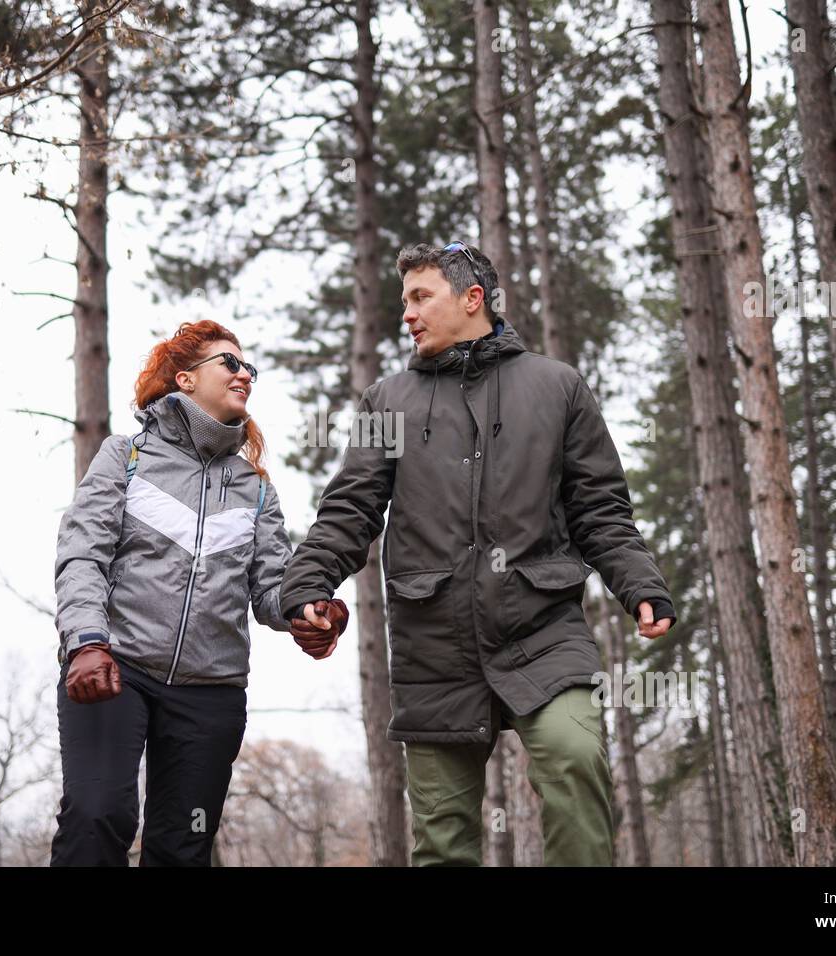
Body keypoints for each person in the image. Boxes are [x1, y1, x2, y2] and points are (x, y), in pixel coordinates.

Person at [280, 241, 676, 866]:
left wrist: (641, 585)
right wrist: (307, 585)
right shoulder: (388, 400)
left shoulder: (559, 387)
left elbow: (601, 510)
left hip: (543, 631)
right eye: (402, 300)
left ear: (472, 299)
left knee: (575, 763)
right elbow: (351, 509)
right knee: (442, 839)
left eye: (420, 297)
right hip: (434, 643)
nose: (406, 313)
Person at [49, 319, 348, 867]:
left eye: (249, 367)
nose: (244, 374)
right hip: (114, 668)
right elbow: (81, 554)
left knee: (184, 846)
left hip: (211, 690)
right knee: (98, 815)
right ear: (185, 379)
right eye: (229, 362)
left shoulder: (255, 488)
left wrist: (310, 609)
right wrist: (86, 641)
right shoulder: (126, 457)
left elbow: (270, 586)